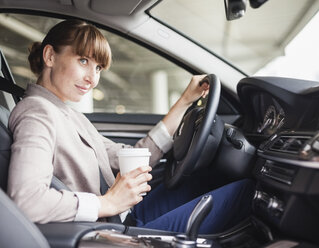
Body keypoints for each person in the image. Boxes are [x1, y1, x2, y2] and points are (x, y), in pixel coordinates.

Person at [7, 19, 254, 234]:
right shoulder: (38, 112)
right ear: (50, 56)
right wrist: (107, 203)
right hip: (108, 233)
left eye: (98, 68)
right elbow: (27, 200)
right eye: (83, 60)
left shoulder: (65, 112)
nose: (92, 79)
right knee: (248, 192)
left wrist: (185, 101)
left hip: (123, 217)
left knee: (207, 180)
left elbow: (132, 156)